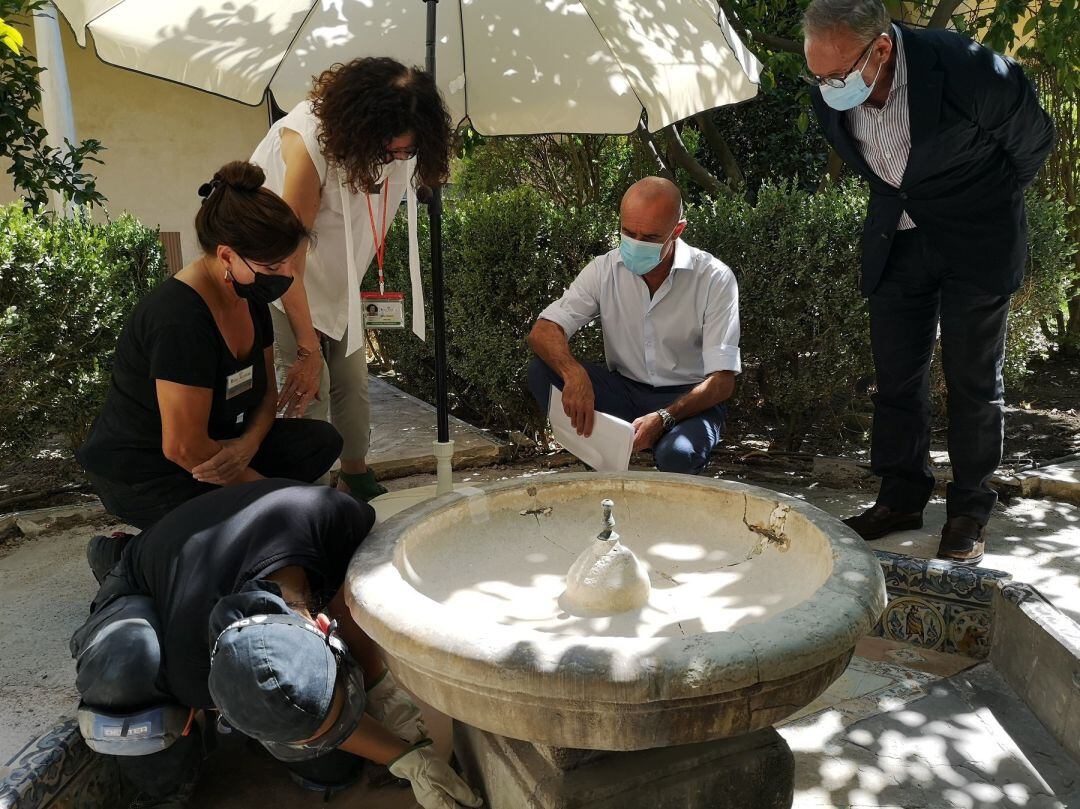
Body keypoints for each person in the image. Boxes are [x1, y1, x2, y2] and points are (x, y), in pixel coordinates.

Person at [802, 0, 1054, 563]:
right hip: (899, 238)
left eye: (836, 76)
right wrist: (833, 83)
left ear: (882, 49)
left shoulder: (966, 68)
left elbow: (1032, 141)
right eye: (815, 76)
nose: (825, 88)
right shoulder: (829, 84)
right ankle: (901, 496)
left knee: (972, 379)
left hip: (975, 238)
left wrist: (982, 201)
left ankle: (969, 508)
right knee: (896, 378)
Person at [71, 479, 482, 809]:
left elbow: (354, 599)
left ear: (324, 626)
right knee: (125, 673)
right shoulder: (191, 673)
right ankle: (111, 553)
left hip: (234, 521)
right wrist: (395, 754)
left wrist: (384, 703)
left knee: (332, 772)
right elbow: (267, 699)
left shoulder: (339, 517)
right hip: (149, 570)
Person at [76, 161, 343, 533]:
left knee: (319, 442)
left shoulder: (250, 298)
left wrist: (247, 447)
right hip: (148, 472)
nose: (285, 277)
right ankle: (129, 556)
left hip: (218, 446)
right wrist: (271, 496)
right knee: (268, 526)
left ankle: (227, 519)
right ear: (227, 255)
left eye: (289, 264)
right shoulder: (180, 320)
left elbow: (265, 396)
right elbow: (183, 448)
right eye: (272, 266)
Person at [250, 57, 454, 503]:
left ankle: (354, 473)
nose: (400, 160)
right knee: (309, 388)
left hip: (339, 281)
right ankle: (309, 496)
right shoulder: (303, 144)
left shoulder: (399, 141)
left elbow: (418, 173)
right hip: (278, 283)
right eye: (393, 151)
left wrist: (430, 161)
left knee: (352, 383)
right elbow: (289, 261)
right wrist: (306, 348)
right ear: (363, 130)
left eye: (409, 151)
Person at [527, 177, 741, 475]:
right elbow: (544, 330)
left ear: (677, 231)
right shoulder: (604, 269)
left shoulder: (714, 278)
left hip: (688, 399)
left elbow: (722, 381)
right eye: (628, 232)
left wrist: (664, 417)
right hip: (625, 390)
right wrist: (573, 372)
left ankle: (666, 496)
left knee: (678, 455)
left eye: (650, 237)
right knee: (543, 372)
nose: (636, 244)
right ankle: (601, 463)